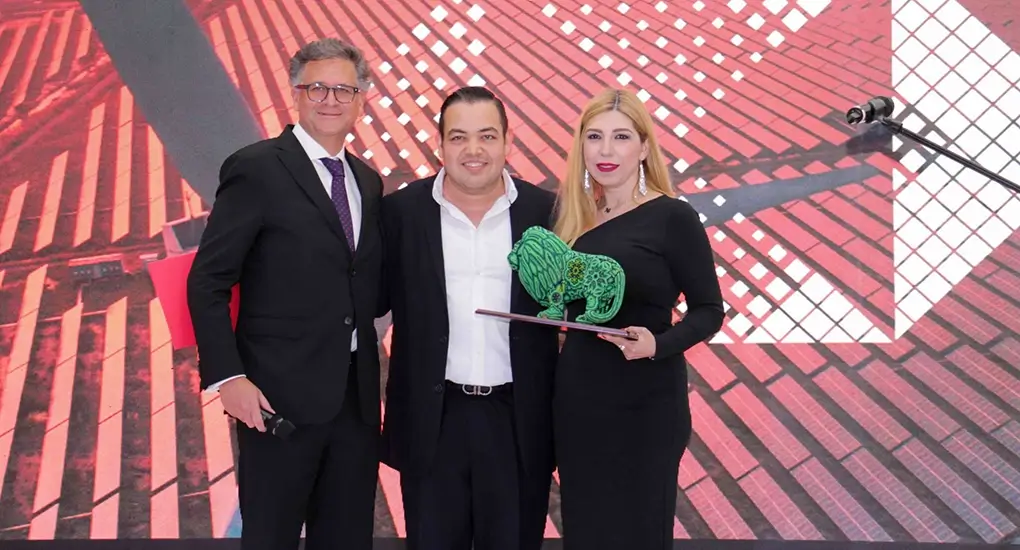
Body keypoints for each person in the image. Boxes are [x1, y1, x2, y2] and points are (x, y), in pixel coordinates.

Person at [186, 38, 384, 550]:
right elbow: (208, 280)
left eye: (344, 88)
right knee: (271, 536)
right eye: (316, 86)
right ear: (296, 93)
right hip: (276, 401)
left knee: (346, 537)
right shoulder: (256, 168)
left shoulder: (368, 181)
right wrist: (229, 379)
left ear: (362, 97)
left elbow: (362, 282)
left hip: (355, 403)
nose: (330, 99)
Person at [378, 86, 560, 550]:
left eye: (486, 136)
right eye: (458, 138)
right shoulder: (399, 212)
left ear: (507, 142)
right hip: (433, 421)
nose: (473, 150)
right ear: (440, 144)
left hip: (519, 421)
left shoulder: (549, 212)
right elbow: (362, 300)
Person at [551, 88, 725, 549]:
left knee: (639, 533)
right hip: (578, 406)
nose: (606, 151)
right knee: (586, 533)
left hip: (644, 406)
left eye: (621, 137)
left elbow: (710, 310)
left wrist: (658, 343)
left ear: (644, 148)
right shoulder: (570, 220)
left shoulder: (672, 217)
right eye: (595, 137)